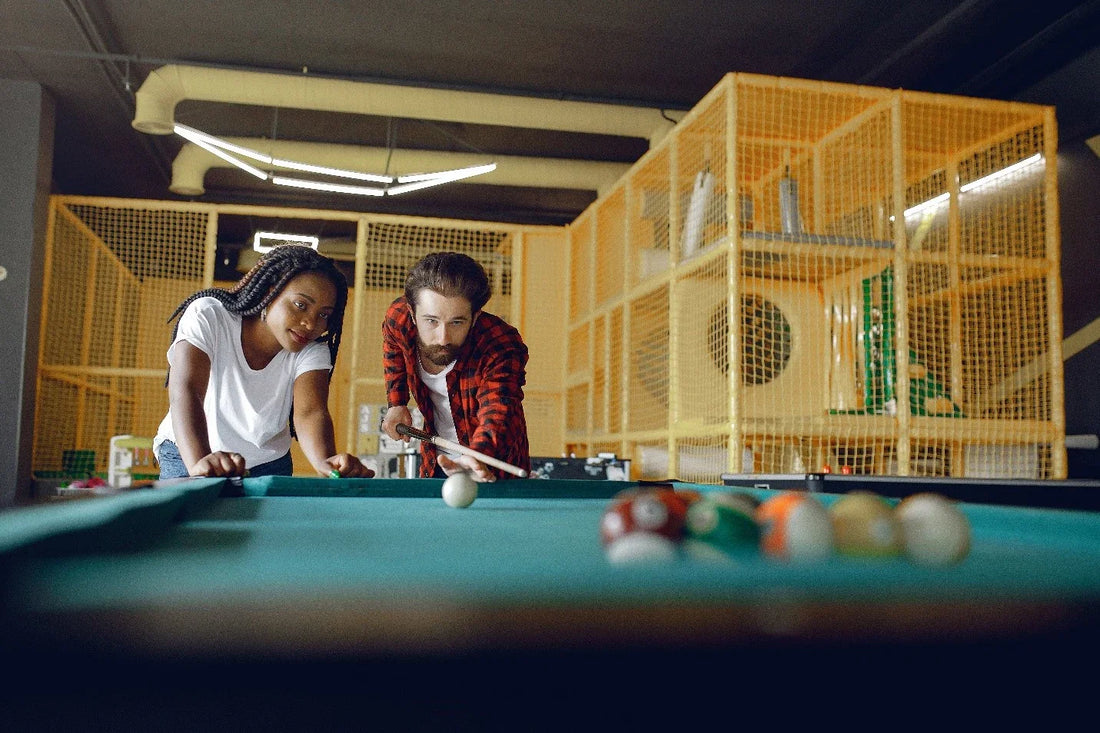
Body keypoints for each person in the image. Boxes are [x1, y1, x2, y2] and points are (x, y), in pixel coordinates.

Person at [154, 244, 373, 479]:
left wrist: (327, 463)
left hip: (268, 462)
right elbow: (187, 390)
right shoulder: (208, 315)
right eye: (300, 305)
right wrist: (200, 463)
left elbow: (310, 412)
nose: (310, 324)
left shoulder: (311, 349)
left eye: (323, 314)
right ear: (270, 292)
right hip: (189, 451)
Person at [381, 251, 530, 481]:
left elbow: (498, 407)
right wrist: (397, 403)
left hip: (492, 467)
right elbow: (392, 348)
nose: (443, 338)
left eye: (457, 322)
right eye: (431, 321)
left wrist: (478, 454)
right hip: (435, 461)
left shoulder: (500, 343)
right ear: (412, 313)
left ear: (475, 316)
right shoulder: (398, 320)